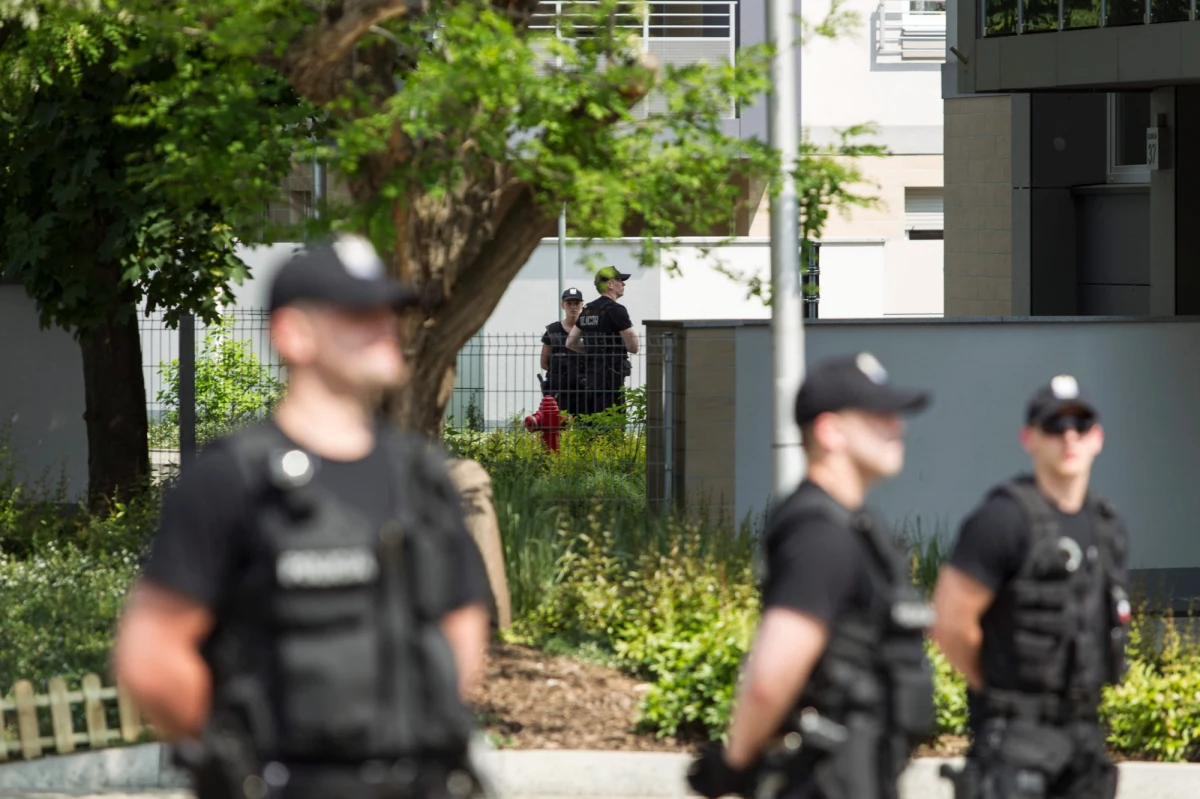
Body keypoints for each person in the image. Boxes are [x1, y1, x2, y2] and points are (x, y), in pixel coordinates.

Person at [112, 233, 494, 799]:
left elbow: (462, 620)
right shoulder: (230, 478)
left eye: (388, 311)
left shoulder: (421, 476)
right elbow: (151, 656)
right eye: (358, 314)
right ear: (294, 334)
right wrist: (242, 767)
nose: (385, 326)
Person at [687, 353, 936, 799]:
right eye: (877, 416)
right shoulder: (819, 531)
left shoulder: (856, 525)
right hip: (821, 782)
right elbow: (771, 676)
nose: (896, 426)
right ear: (829, 431)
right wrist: (734, 765)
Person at [931, 375, 1131, 799]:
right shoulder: (1002, 519)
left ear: (1097, 438)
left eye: (1081, 425)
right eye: (1055, 426)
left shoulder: (1106, 526)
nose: (1069, 437)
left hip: (1082, 737)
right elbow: (950, 622)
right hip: (1015, 740)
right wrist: (998, 690)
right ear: (1029, 438)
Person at [565, 266, 638, 416]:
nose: (623, 284)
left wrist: (592, 348)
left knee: (592, 421)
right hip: (612, 379)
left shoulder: (588, 310)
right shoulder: (616, 310)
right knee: (613, 421)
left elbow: (570, 343)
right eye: (620, 280)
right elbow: (634, 347)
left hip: (591, 377)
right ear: (610, 284)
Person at [540, 287, 585, 415]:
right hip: (559, 391)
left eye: (576, 303)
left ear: (582, 305)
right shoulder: (553, 331)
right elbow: (544, 363)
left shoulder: (589, 329)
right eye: (569, 303)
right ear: (562, 305)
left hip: (584, 390)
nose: (573, 307)